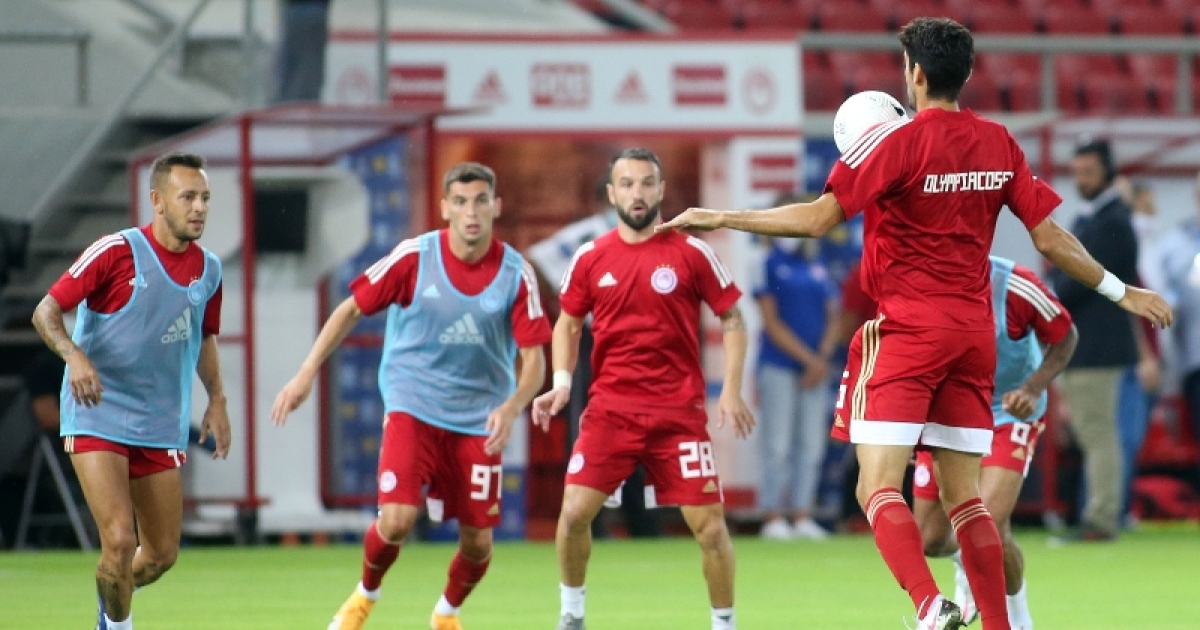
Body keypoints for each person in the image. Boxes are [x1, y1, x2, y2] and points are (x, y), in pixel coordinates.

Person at [658, 17, 1171, 630]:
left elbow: (817, 219)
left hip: (909, 332)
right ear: (967, 74)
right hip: (973, 336)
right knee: (965, 500)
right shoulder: (999, 142)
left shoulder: (894, 144)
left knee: (875, 487)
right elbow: (1050, 238)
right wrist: (1121, 291)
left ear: (916, 75)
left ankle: (930, 607)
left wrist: (719, 216)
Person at [271, 162, 550, 630]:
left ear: (496, 206)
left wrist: (511, 407)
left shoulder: (515, 274)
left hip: (479, 419)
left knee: (478, 544)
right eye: (460, 202)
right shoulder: (414, 257)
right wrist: (306, 372)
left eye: (480, 201)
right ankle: (365, 596)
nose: (471, 212)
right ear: (445, 209)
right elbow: (350, 308)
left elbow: (535, 361)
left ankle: (446, 613)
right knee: (398, 520)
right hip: (413, 405)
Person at [532, 148, 755, 630]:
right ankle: (572, 614)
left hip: (678, 414)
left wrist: (732, 389)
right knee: (573, 514)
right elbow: (568, 323)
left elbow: (733, 318)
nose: (638, 193)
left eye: (647, 183)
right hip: (611, 412)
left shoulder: (691, 252)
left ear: (661, 190)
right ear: (612, 194)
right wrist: (562, 383)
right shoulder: (591, 256)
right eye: (627, 184)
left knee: (709, 528)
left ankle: (724, 623)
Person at [30, 152, 232, 630]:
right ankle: (118, 621)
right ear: (157, 200)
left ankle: (112, 589)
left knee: (160, 555)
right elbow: (45, 312)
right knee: (120, 540)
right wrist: (74, 355)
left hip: (159, 422)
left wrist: (217, 400)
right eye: (188, 197)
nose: (199, 208)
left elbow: (203, 336)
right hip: (97, 411)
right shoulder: (116, 252)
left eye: (205, 198)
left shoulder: (209, 271)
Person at [913, 256, 1077, 630]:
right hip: (949, 410)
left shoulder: (1014, 285)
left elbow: (1066, 335)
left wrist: (1032, 389)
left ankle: (1019, 617)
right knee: (929, 539)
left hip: (1008, 410)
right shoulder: (918, 281)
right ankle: (967, 566)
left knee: (986, 526)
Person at [1048, 139, 1153, 541]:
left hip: (1097, 346)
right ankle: (1100, 514)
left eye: (1089, 172)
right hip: (1092, 345)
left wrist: (1054, 284)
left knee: (1098, 435)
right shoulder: (1099, 218)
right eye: (1077, 173)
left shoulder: (1111, 221)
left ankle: (1101, 517)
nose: (1082, 180)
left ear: (1108, 172)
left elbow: (1076, 279)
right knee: (1095, 434)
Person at [754, 232, 840, 540]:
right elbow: (771, 321)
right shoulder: (767, 262)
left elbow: (834, 315)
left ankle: (803, 514)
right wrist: (810, 360)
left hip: (815, 367)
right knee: (777, 444)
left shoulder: (816, 261)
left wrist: (823, 357)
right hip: (778, 364)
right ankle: (773, 516)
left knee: (811, 444)